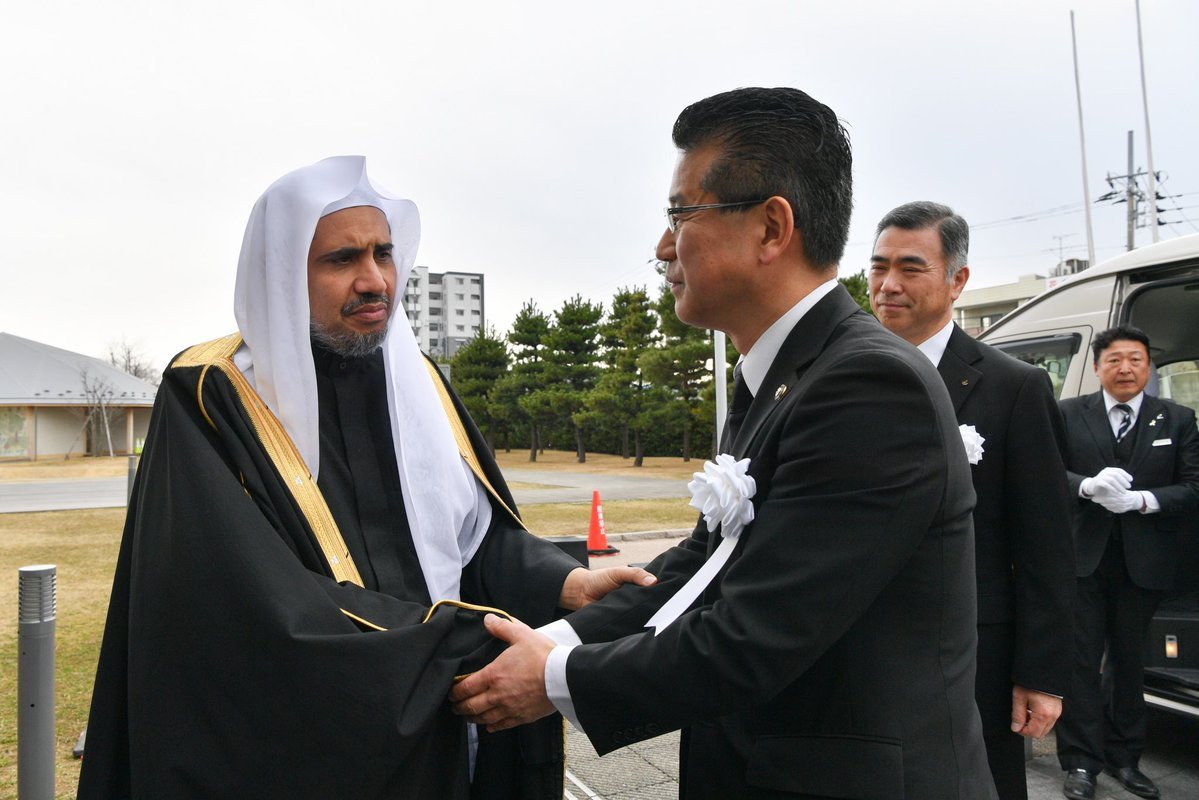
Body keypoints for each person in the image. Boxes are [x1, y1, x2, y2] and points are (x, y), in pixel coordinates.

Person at [451, 87, 997, 799]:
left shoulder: (866, 384)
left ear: (771, 228)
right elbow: (705, 563)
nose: (662, 248)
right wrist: (556, 641)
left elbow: (755, 634)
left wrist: (552, 679)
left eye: (680, 215)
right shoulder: (783, 372)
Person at [78, 156, 651, 799]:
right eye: (342, 259)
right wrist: (463, 644)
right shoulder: (213, 392)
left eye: (384, 254)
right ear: (282, 274)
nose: (374, 280)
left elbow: (476, 537)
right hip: (306, 743)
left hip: (448, 717)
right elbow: (254, 600)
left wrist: (566, 583)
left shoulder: (417, 379)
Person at [868, 201, 1076, 800]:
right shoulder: (840, 376)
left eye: (911, 268)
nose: (888, 284)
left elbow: (1046, 544)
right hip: (862, 645)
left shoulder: (1014, 387)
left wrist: (1040, 674)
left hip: (972, 653)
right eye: (879, 266)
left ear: (958, 280)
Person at [1055, 325, 1199, 800]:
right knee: (1080, 662)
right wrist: (1085, 486)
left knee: (1129, 662)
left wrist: (1142, 500)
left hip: (1144, 563)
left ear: (1149, 367)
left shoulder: (1176, 419)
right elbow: (1047, 472)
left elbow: (1193, 487)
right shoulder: (1068, 413)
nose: (1125, 368)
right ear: (1097, 367)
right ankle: (1080, 762)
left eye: (1135, 359)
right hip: (1083, 560)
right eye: (1114, 360)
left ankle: (1126, 758)